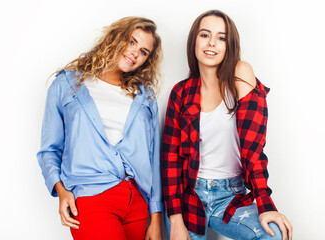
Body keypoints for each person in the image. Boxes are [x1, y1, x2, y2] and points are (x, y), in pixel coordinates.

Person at [162, 10, 292, 240]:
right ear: (194, 40)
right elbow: (170, 159)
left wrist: (265, 203)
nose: (212, 43)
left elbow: (253, 149)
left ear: (229, 45)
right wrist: (175, 221)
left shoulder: (241, 75)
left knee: (275, 235)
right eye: (205, 35)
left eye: (221, 37)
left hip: (230, 196)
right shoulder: (181, 93)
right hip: (188, 197)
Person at [37, 17, 163, 240]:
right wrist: (61, 190)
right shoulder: (67, 84)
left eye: (143, 51)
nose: (135, 52)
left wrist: (155, 218)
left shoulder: (146, 97)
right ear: (115, 37)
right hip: (91, 196)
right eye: (131, 42)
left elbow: (152, 159)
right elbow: (50, 149)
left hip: (138, 203)